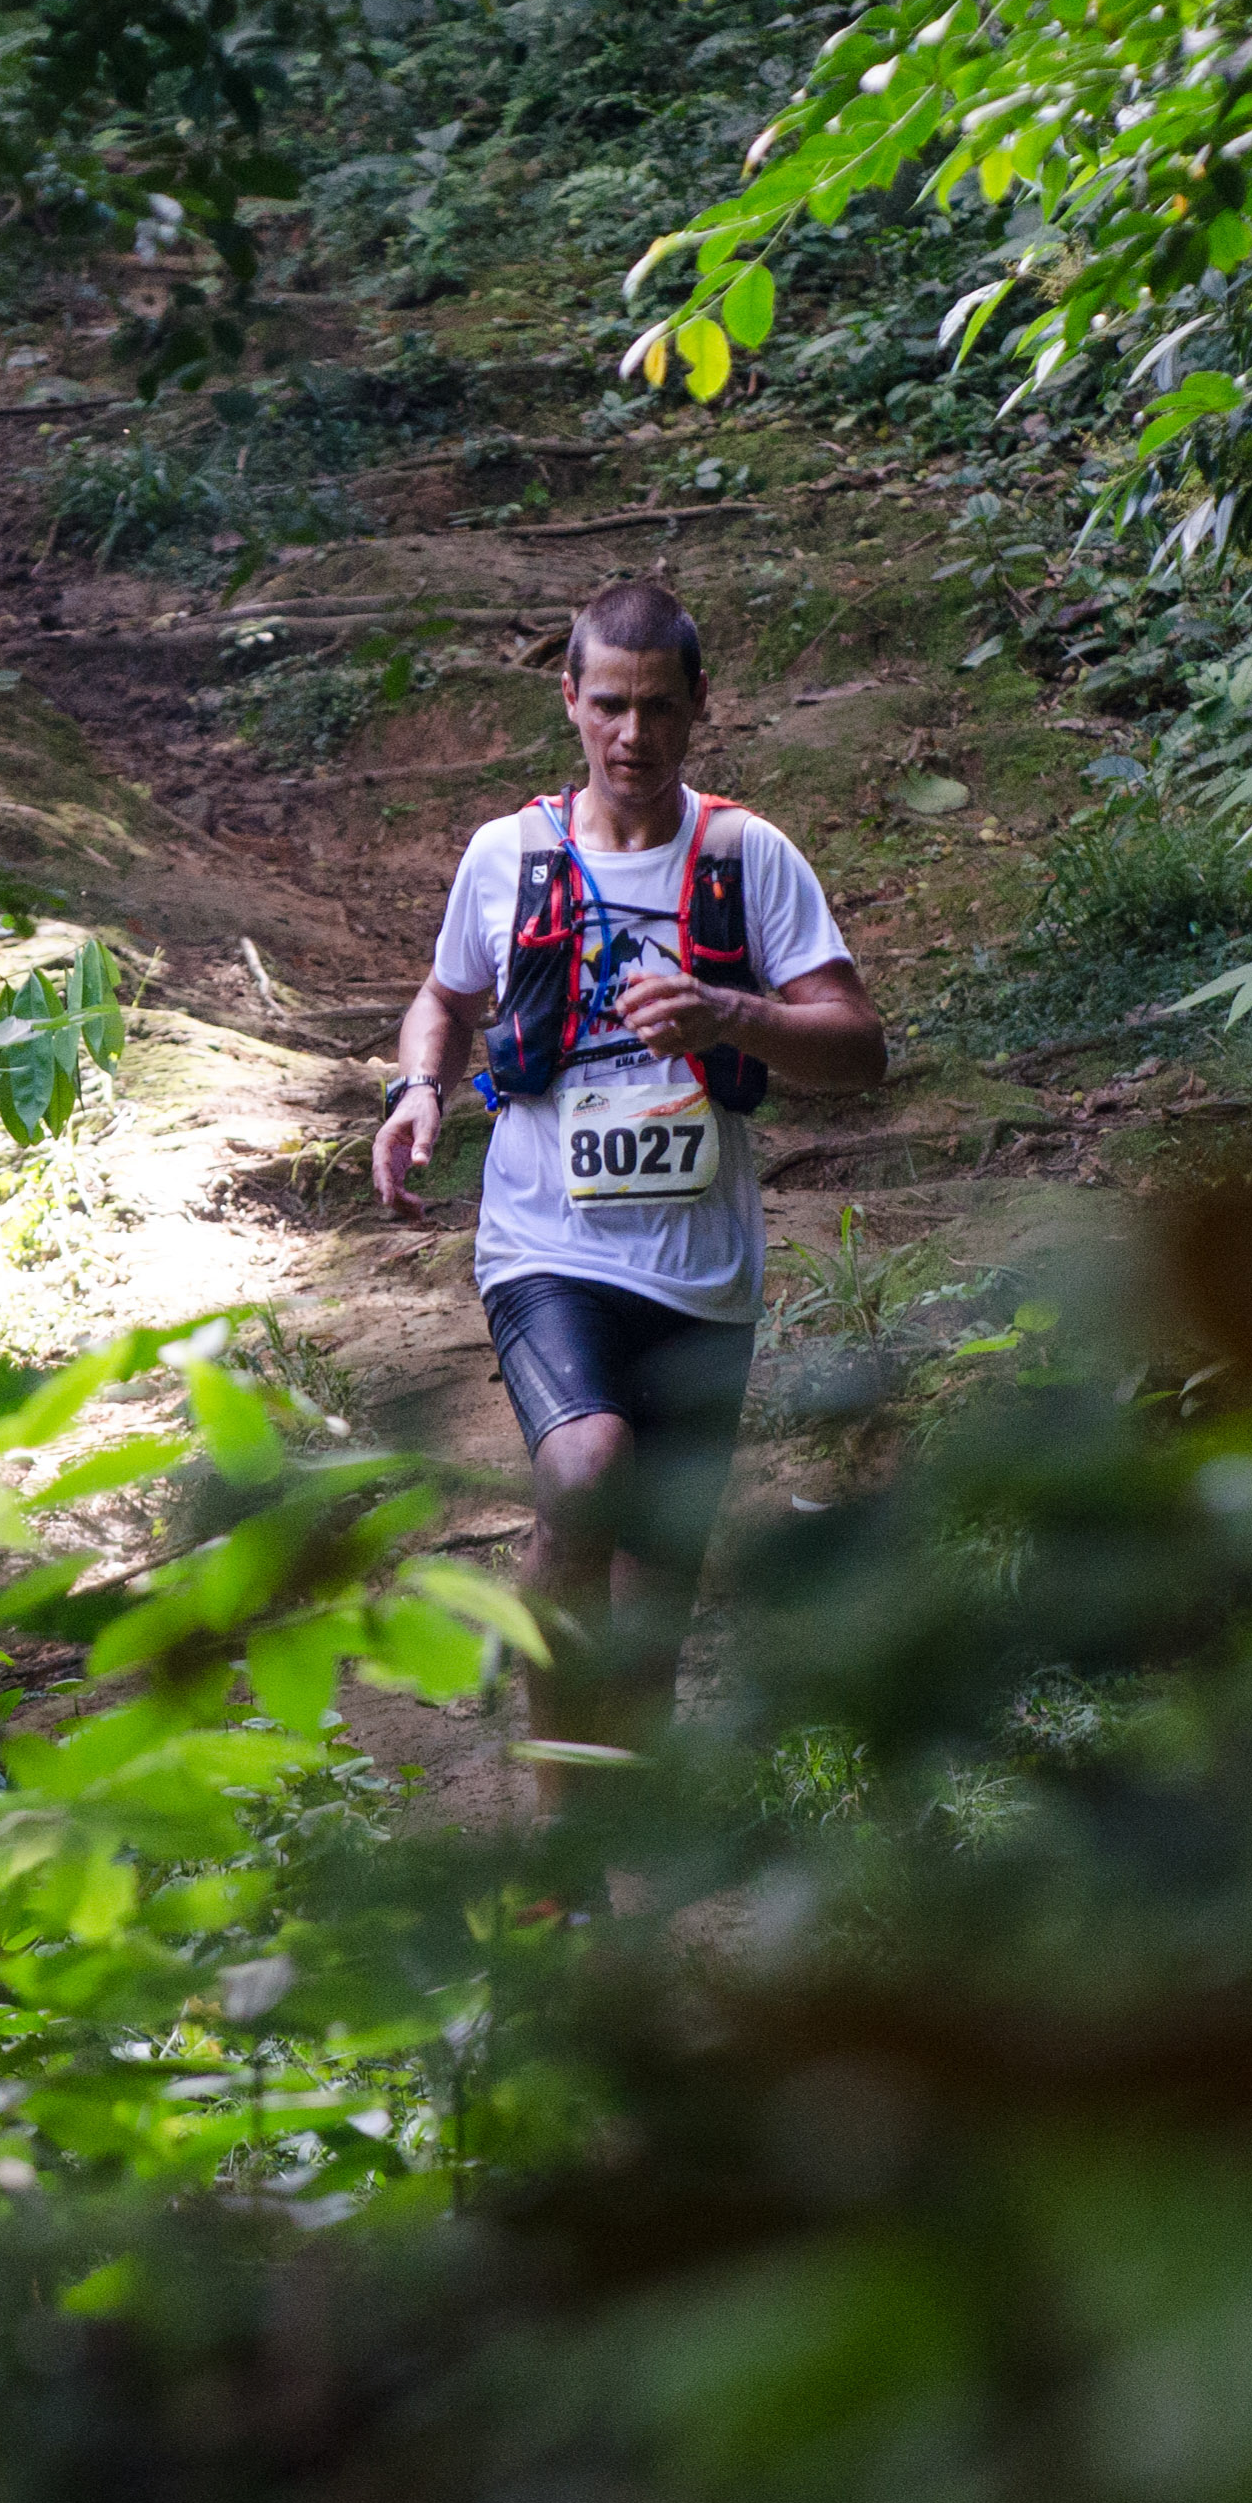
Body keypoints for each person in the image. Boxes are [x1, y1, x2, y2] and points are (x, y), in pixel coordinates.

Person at [371, 580, 886, 1794]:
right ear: (569, 701)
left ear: (699, 704)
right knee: (586, 1468)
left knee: (653, 1596)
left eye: (659, 706)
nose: (633, 735)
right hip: (544, 1245)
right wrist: (417, 1091)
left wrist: (731, 1012)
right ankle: (557, 1815)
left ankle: (623, 1867)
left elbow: (859, 1047)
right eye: (609, 705)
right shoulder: (509, 855)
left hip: (704, 1274)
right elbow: (446, 999)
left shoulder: (746, 857)